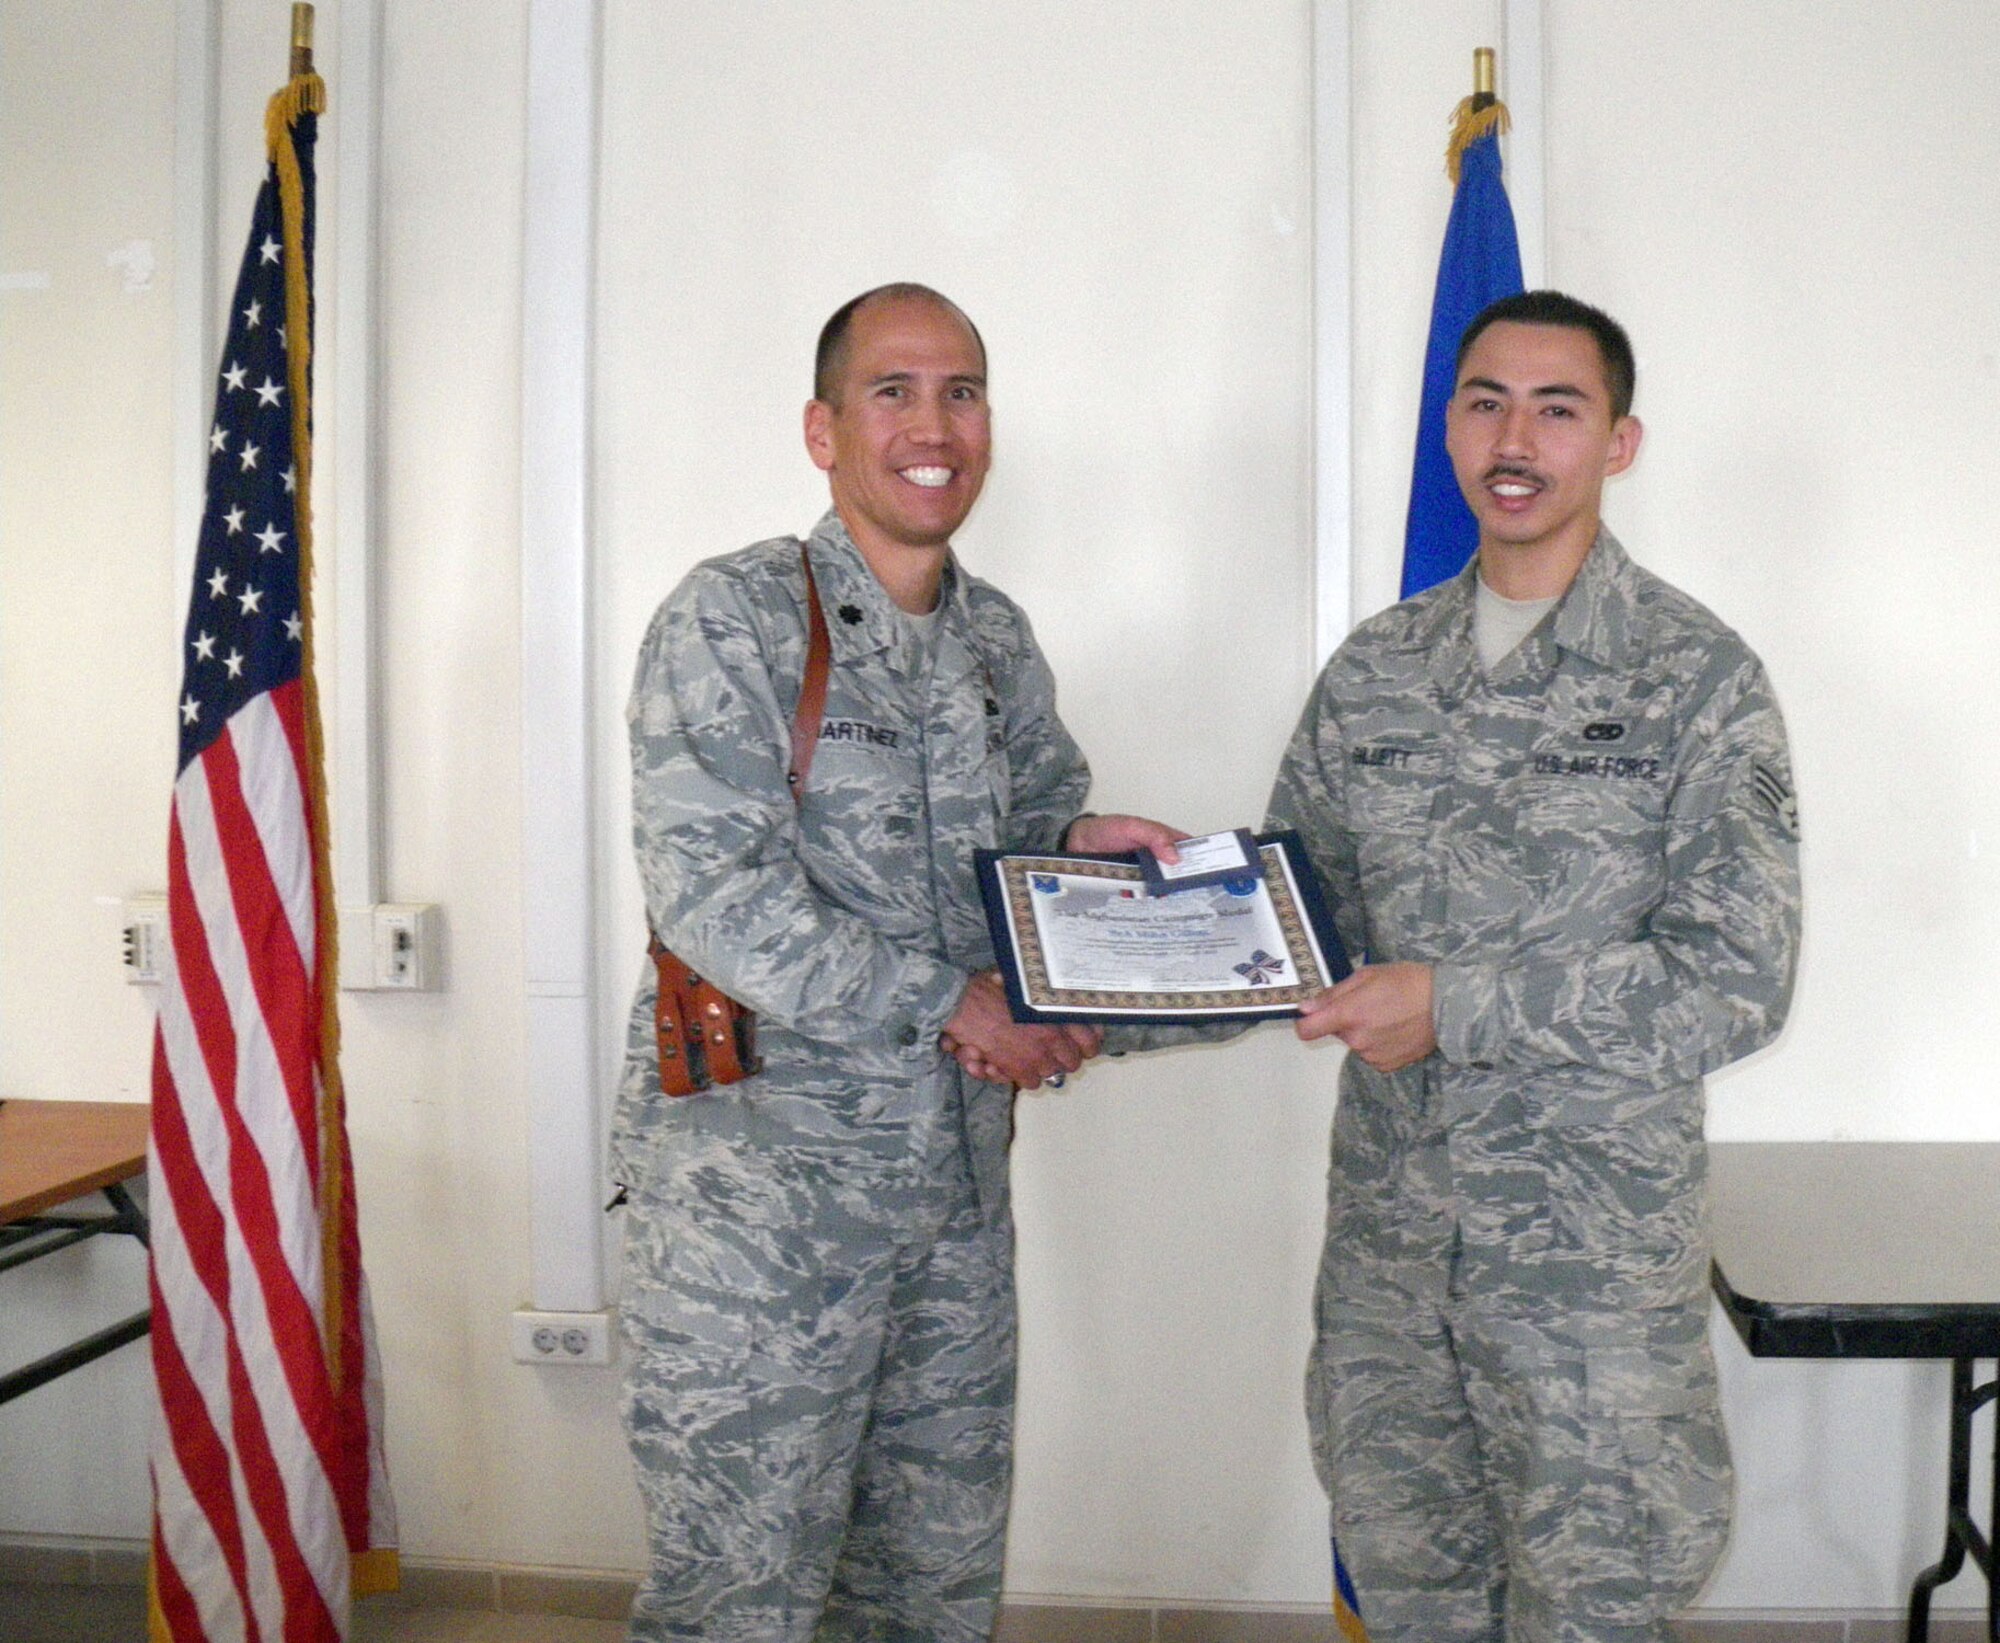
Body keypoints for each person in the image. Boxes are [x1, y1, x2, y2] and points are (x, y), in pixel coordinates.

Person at [609, 282, 1183, 1643]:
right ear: (824, 429)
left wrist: (1099, 860)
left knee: (928, 1598)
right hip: (760, 1226)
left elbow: (1030, 868)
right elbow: (713, 897)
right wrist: (955, 1005)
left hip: (953, 1223)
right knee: (736, 1604)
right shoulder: (735, 619)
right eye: (895, 391)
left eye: (964, 393)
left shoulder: (996, 646)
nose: (935, 425)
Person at [1268, 291, 1802, 1642]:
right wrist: (1107, 942)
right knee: (1415, 1601)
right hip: (1396, 1273)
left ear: (1617, 443)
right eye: (1485, 400)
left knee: (1594, 1613)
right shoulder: (1374, 675)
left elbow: (1738, 978)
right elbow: (1290, 920)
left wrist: (1458, 1006)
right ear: (1449, 425)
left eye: (1557, 408)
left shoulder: (1697, 679)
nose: (1516, 436)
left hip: (1588, 1290)